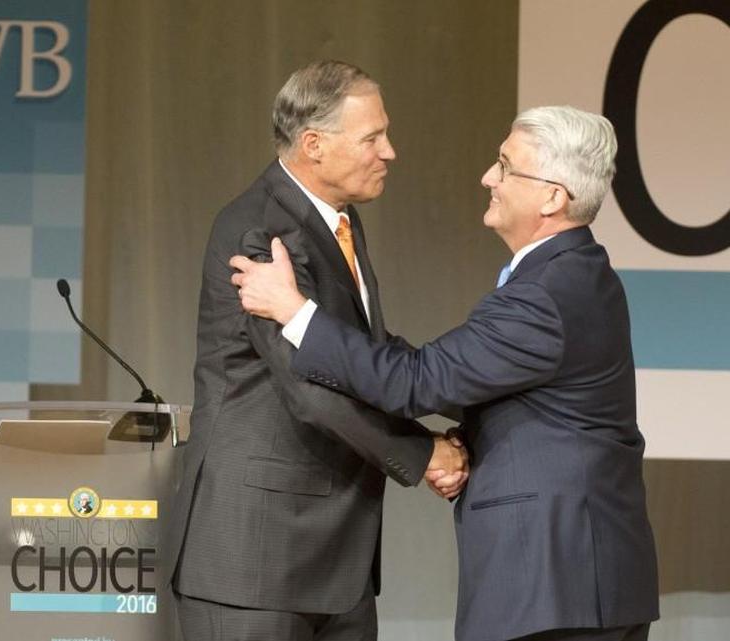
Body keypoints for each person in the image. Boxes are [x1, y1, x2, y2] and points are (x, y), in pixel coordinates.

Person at [230, 106, 660, 641]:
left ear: (553, 196)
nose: (488, 178)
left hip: (553, 586)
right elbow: (510, 392)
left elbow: (416, 382)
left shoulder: (544, 294)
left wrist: (296, 313)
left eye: (505, 167)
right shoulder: (578, 274)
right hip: (578, 581)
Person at [164, 60, 467, 641]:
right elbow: (311, 389)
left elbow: (361, 354)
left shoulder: (338, 222)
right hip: (254, 563)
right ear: (314, 145)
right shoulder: (260, 230)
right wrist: (422, 450)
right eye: (373, 137)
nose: (390, 151)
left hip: (331, 563)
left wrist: (478, 400)